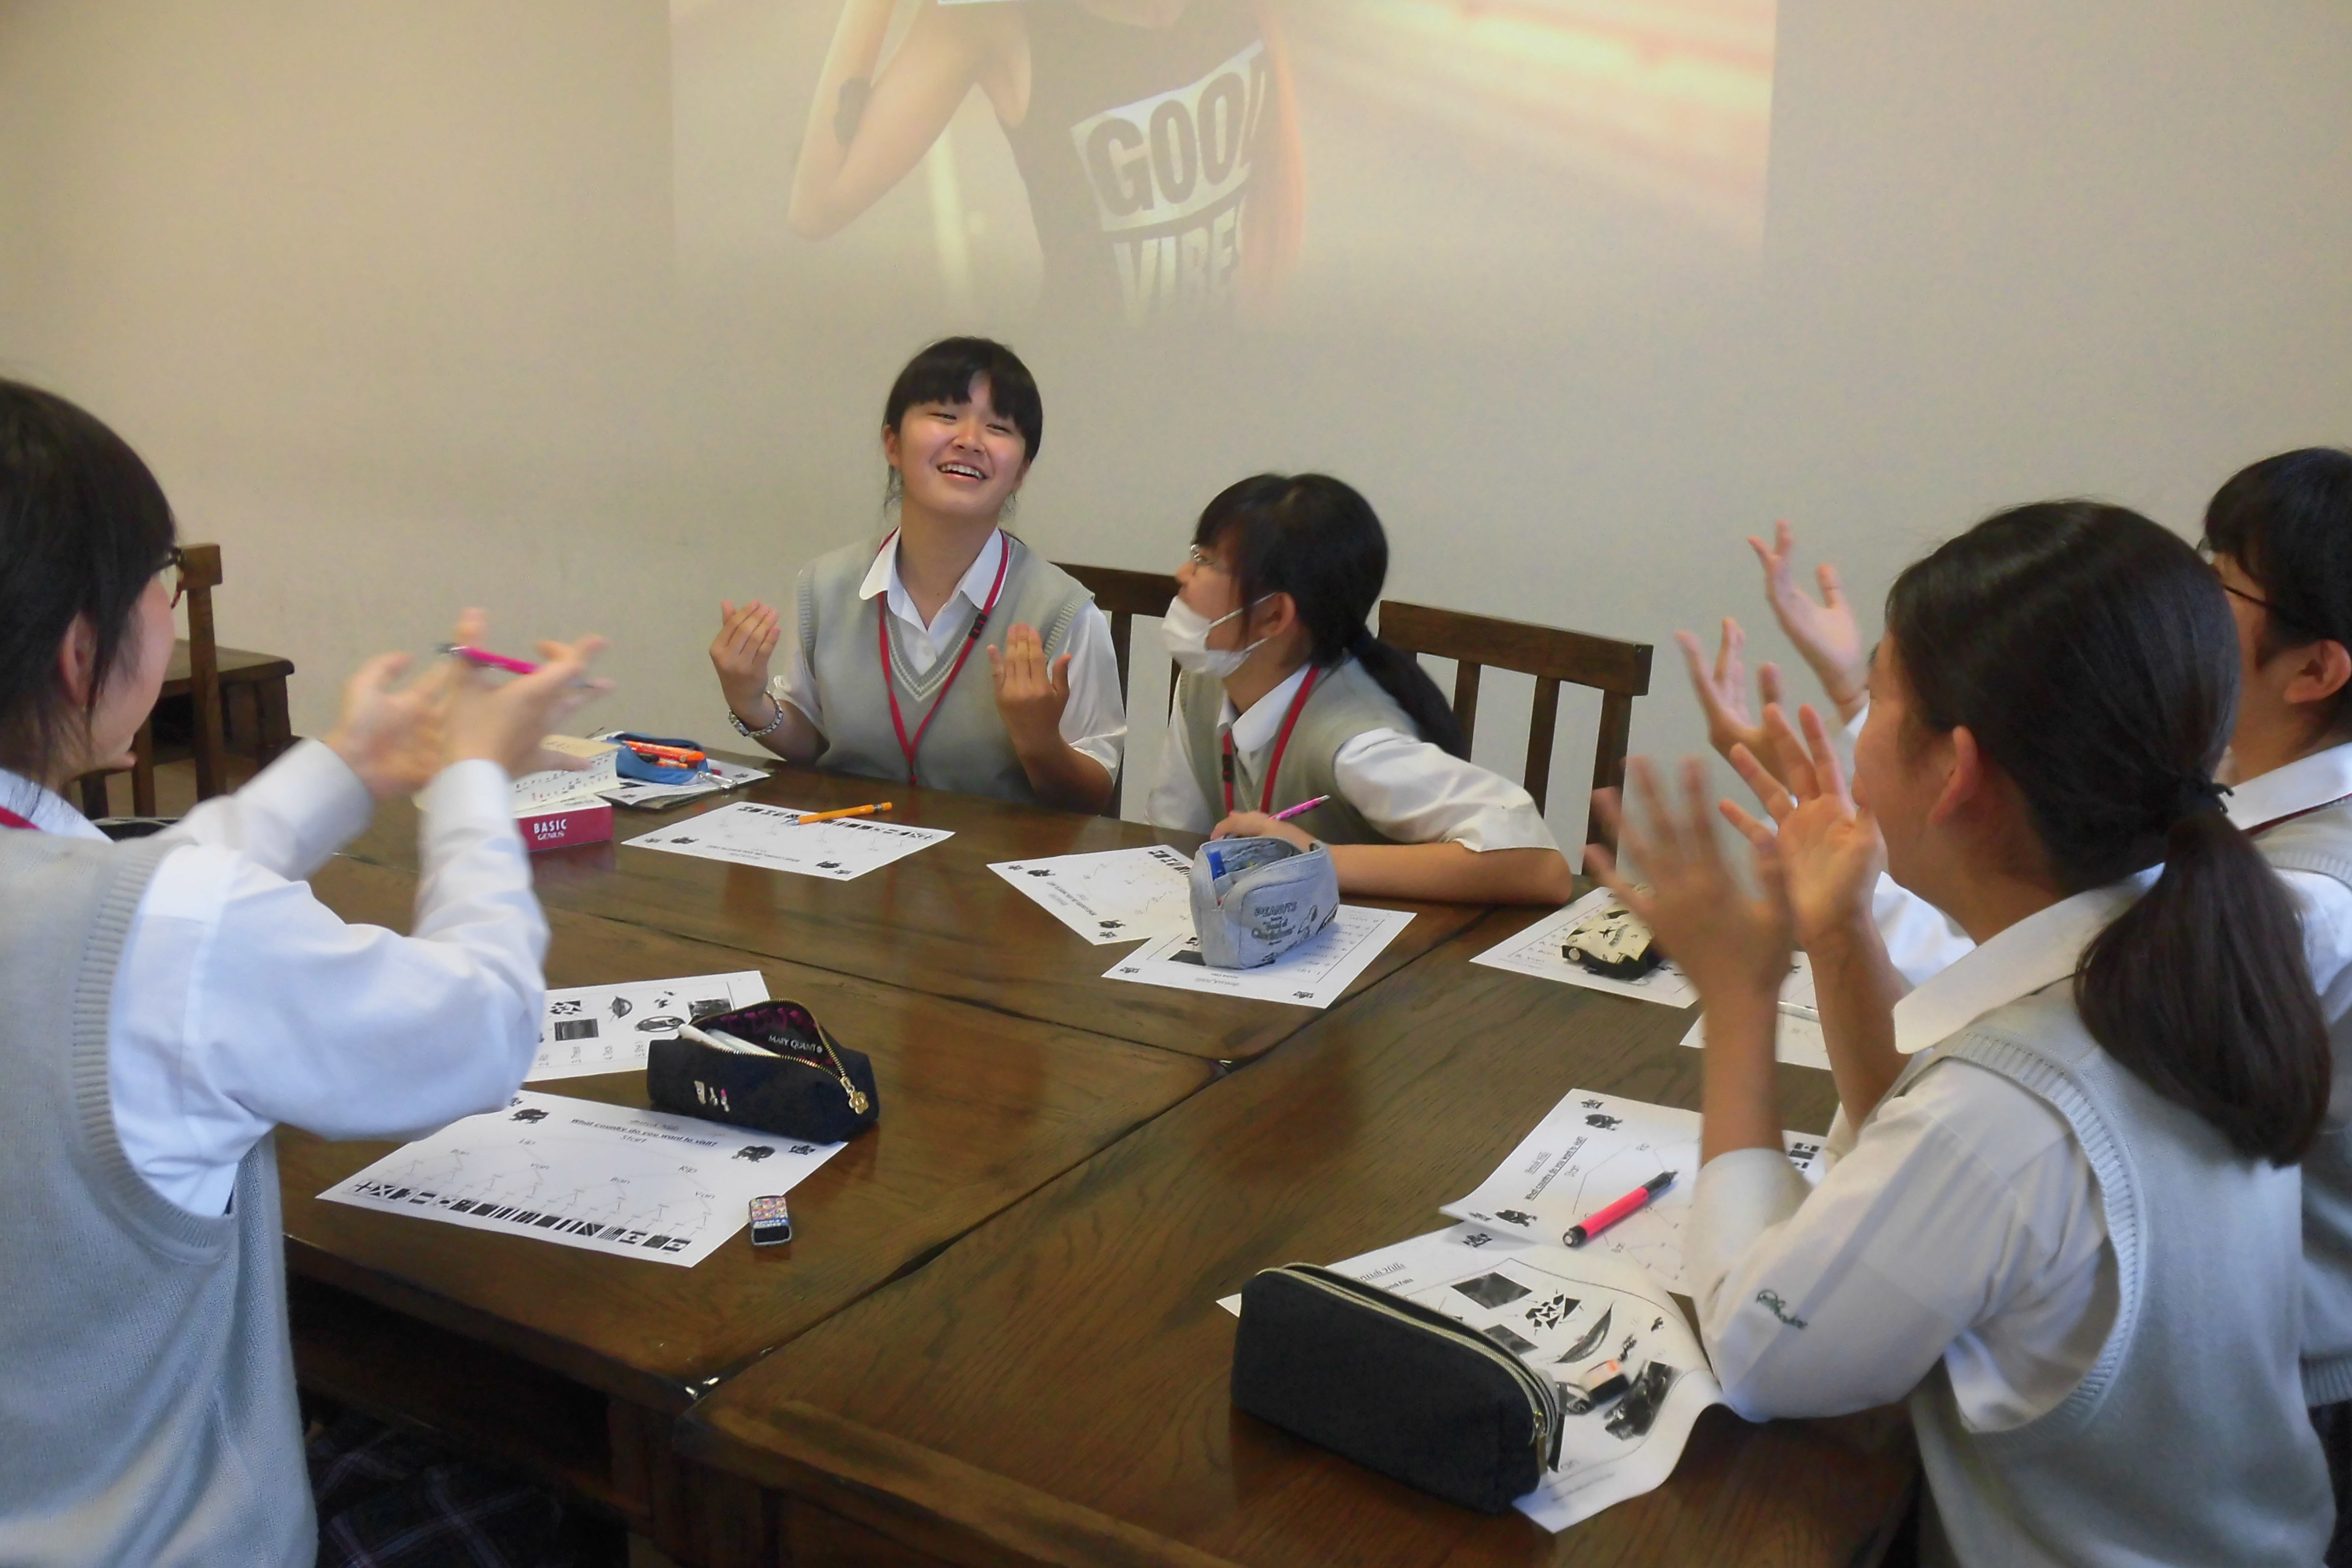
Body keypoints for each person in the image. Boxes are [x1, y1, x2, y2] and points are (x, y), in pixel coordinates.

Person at [1597, 501, 2336, 1565]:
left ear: (1956, 771)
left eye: (1876, 697)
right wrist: (1838, 926)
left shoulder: (2010, 1109)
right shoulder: (2183, 938)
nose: (1855, 737)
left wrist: (1740, 999)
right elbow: (1927, 1130)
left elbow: (1761, 1359)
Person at [0, 378, 608, 1564]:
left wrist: (350, 765)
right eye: (161, 581)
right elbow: (478, 1026)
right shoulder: (169, 934)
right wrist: (474, 781)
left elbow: (132, 907)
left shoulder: (122, 911)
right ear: (81, 651)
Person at [709, 336, 1123, 813]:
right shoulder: (826, 586)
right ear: (893, 443)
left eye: (998, 427)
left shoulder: (1063, 611)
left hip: (991, 856)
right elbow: (818, 745)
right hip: (852, 847)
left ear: (1022, 471)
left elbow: (1093, 796)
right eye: (946, 416)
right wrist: (750, 702)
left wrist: (1039, 741)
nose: (969, 440)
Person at [1142, 472, 1577, 904]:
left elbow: (1539, 868)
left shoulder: (1358, 743)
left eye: (1206, 561)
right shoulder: (1205, 683)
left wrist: (1314, 858)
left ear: (1273, 615)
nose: (1183, 573)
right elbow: (1178, 838)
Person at [787, 0, 1303, 326]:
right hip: (1089, 420)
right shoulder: (993, 20)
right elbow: (818, 206)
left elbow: (1269, 207)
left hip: (1219, 399)